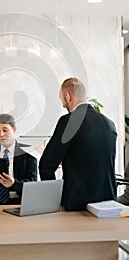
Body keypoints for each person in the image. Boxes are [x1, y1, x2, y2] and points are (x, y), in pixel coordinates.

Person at [39, 77, 117, 211]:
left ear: (67, 96)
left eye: (62, 99)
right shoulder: (109, 123)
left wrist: (55, 200)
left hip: (79, 205)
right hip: (108, 204)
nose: (63, 105)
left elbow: (46, 165)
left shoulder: (69, 121)